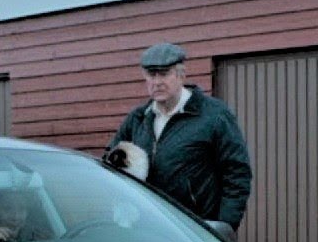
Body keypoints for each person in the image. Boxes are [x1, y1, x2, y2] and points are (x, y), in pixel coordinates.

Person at [106, 42, 253, 229]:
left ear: (181, 75)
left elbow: (237, 172)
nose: (157, 82)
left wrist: (224, 226)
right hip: (148, 228)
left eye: (164, 74)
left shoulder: (214, 115)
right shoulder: (138, 119)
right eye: (151, 75)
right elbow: (110, 164)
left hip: (195, 231)